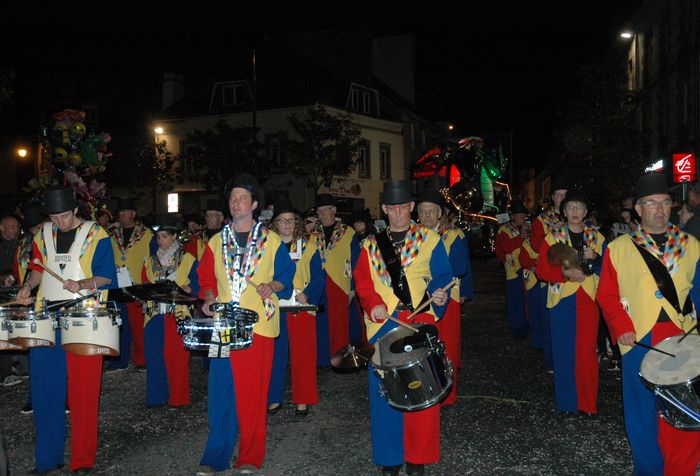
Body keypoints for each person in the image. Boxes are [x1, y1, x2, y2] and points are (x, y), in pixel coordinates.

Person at [596, 172, 700, 475]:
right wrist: (620, 326)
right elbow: (607, 295)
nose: (659, 209)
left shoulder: (690, 245)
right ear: (638, 210)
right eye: (651, 203)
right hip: (638, 336)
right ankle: (648, 468)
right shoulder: (619, 248)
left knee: (683, 408)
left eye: (665, 202)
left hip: (682, 337)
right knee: (642, 411)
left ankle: (679, 469)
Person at [197, 173, 294, 475]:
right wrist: (209, 297)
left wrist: (272, 286)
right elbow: (204, 279)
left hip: (258, 327)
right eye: (232, 197)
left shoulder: (271, 240)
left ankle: (250, 456)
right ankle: (216, 457)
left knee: (253, 395)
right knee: (220, 394)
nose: (236, 201)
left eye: (242, 197)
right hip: (224, 326)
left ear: (254, 204)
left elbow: (286, 277)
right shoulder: (216, 241)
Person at [15, 186, 117, 474]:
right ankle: (48, 458)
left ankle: (82, 460)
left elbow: (107, 276)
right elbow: (37, 270)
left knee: (84, 393)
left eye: (64, 216)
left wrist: (83, 284)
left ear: (75, 210)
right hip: (47, 317)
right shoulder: (42, 235)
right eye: (54, 217)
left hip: (84, 318)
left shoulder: (97, 235)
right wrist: (27, 286)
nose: (59, 222)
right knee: (46, 392)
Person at [354, 180, 451, 476]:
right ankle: (390, 458)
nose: (398, 214)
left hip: (419, 320)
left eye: (403, 208)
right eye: (391, 209)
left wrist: (440, 293)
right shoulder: (370, 246)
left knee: (422, 388)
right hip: (383, 325)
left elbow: (443, 275)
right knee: (386, 394)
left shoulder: (430, 240)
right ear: (384, 209)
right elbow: (362, 283)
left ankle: (418, 457)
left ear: (411, 207)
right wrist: (373, 303)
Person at [535, 190, 605, 415]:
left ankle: (587, 403)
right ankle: (567, 404)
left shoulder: (599, 238)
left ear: (585, 212)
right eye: (570, 208)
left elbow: (611, 271)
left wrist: (597, 258)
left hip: (588, 299)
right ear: (564, 212)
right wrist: (565, 274)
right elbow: (542, 270)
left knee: (586, 351)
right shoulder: (552, 237)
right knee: (563, 351)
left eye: (579, 207)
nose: (575, 211)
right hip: (561, 299)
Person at [266, 199, 325, 416]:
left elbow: (319, 277)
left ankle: (303, 399)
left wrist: (308, 293)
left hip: (301, 307)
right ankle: (273, 397)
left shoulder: (309, 247)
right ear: (275, 224)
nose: (288, 225)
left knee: (303, 355)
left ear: (296, 223)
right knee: (275, 354)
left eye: (291, 220)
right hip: (276, 307)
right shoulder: (268, 249)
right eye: (282, 221)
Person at [416, 187, 470, 405]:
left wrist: (465, 292)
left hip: (446, 297)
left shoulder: (453, 236)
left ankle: (447, 394)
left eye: (431, 211)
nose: (427, 215)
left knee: (446, 345)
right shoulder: (413, 238)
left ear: (440, 214)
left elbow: (461, 267)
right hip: (419, 299)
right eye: (423, 211)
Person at [141, 214, 199, 408]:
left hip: (179, 315)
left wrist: (191, 289)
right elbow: (143, 285)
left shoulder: (188, 259)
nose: (160, 240)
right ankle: (156, 397)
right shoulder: (149, 261)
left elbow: (199, 285)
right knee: (154, 357)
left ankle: (178, 398)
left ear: (174, 236)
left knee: (178, 359)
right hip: (154, 315)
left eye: (164, 236)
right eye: (158, 237)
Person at [107, 197, 156, 370]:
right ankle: (118, 361)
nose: (123, 215)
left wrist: (147, 284)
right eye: (120, 212)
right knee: (118, 326)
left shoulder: (147, 234)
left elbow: (152, 260)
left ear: (134, 214)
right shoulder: (112, 234)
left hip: (137, 285)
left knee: (138, 326)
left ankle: (141, 360)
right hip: (116, 285)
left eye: (127, 211)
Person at [314, 194, 360, 365]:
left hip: (340, 283)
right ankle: (322, 359)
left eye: (324, 210)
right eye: (318, 211)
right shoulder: (313, 234)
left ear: (333, 210)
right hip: (318, 282)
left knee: (340, 323)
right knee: (321, 323)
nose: (320, 214)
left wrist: (353, 288)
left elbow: (355, 261)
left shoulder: (348, 232)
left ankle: (339, 359)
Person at [530, 176, 569, 370]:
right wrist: (551, 233)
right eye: (558, 195)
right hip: (552, 274)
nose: (562, 199)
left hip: (574, 276)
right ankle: (552, 359)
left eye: (565, 195)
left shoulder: (574, 216)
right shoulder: (542, 220)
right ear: (552, 197)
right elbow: (535, 245)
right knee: (551, 318)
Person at [12, 201, 45, 414]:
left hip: (51, 302)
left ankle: (65, 397)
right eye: (32, 229)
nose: (36, 232)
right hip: (30, 303)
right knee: (34, 354)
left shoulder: (52, 242)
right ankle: (34, 397)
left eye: (38, 228)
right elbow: (18, 273)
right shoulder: (23, 246)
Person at [494, 199, 531, 338]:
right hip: (514, 271)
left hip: (528, 269)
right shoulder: (505, 230)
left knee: (527, 299)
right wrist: (521, 238)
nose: (522, 218)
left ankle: (528, 325)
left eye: (523, 215)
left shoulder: (528, 227)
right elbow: (505, 247)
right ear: (513, 216)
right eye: (520, 215)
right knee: (515, 300)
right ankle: (518, 328)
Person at [0, 213, 21, 387]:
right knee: (4, 331)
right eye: (12, 226)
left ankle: (19, 364)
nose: (16, 229)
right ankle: (6, 372)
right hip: (2, 293)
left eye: (17, 226)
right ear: (2, 228)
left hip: (18, 290)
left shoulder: (20, 243)